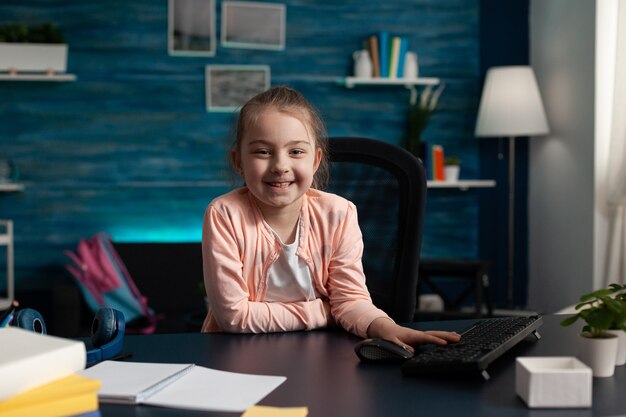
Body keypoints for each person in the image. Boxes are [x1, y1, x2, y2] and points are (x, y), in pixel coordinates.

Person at [201, 86, 460, 351]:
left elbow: (350, 301)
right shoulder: (224, 215)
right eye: (263, 152)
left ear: (316, 161)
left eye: (296, 152)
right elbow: (234, 316)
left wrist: (388, 328)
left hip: (322, 353)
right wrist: (325, 313)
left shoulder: (339, 213)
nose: (280, 165)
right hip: (239, 356)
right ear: (238, 162)